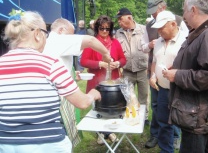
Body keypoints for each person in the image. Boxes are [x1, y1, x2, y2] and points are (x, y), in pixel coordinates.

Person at [0, 11, 101, 153]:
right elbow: (82, 102)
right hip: (48, 145)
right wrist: (93, 94)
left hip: (6, 146)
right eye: (45, 34)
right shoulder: (51, 64)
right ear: (37, 34)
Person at [163, 0, 208, 153]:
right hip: (196, 112)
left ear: (193, 10)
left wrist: (177, 75)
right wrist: (179, 67)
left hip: (198, 114)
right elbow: (199, 63)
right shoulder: (201, 31)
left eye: (184, 10)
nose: (183, 15)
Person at [43, 18, 112, 148]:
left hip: (54, 91)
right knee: (61, 135)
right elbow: (90, 40)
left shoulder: (50, 42)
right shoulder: (57, 39)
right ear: (61, 30)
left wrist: (74, 75)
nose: (72, 37)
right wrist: (105, 53)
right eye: (71, 34)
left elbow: (61, 66)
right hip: (58, 96)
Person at [142, 0, 189, 149]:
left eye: (162, 28)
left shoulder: (186, 41)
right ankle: (165, 149)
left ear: (174, 24)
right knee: (163, 121)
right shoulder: (159, 42)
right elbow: (155, 60)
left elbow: (191, 66)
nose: (159, 32)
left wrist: (177, 72)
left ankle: (177, 141)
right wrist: (153, 76)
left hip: (179, 89)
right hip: (161, 89)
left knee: (180, 121)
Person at [80, 15, 126, 145]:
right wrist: (99, 64)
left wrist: (117, 64)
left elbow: (123, 59)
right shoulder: (92, 42)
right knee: (98, 109)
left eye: (108, 29)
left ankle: (108, 131)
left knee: (111, 107)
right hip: (97, 82)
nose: (105, 31)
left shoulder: (115, 42)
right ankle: (103, 133)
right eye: (102, 28)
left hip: (113, 82)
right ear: (97, 28)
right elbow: (83, 61)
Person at [114, 7, 150, 125]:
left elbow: (150, 50)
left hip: (143, 70)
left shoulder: (144, 30)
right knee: (128, 95)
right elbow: (116, 52)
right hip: (127, 70)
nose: (119, 22)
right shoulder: (118, 33)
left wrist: (150, 68)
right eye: (118, 20)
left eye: (120, 19)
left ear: (129, 17)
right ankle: (130, 114)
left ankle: (144, 118)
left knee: (143, 96)